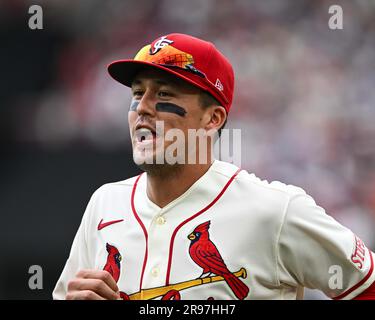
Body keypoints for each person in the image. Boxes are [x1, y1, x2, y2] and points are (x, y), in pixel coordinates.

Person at [53, 33, 375, 300]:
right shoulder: (104, 204)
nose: (143, 108)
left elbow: (366, 286)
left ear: (213, 119)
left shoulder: (275, 211)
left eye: (163, 93)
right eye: (138, 93)